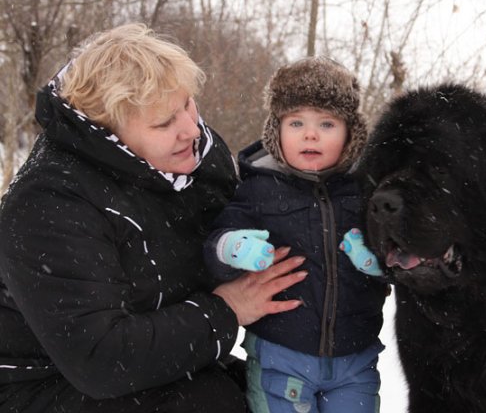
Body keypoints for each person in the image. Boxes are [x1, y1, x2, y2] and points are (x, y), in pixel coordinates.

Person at [0, 23, 307, 413]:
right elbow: (99, 361)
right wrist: (226, 310)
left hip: (163, 348)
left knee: (284, 394)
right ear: (108, 131)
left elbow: (252, 226)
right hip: (42, 381)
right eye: (163, 123)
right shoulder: (49, 202)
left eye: (187, 104)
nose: (190, 129)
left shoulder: (194, 154)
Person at [203, 56, 388, 413]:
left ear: (352, 134)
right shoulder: (258, 187)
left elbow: (398, 256)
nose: (311, 133)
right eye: (297, 121)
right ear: (277, 130)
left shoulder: (365, 189)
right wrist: (233, 248)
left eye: (327, 123)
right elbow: (215, 241)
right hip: (280, 356)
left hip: (356, 358)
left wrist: (377, 258)